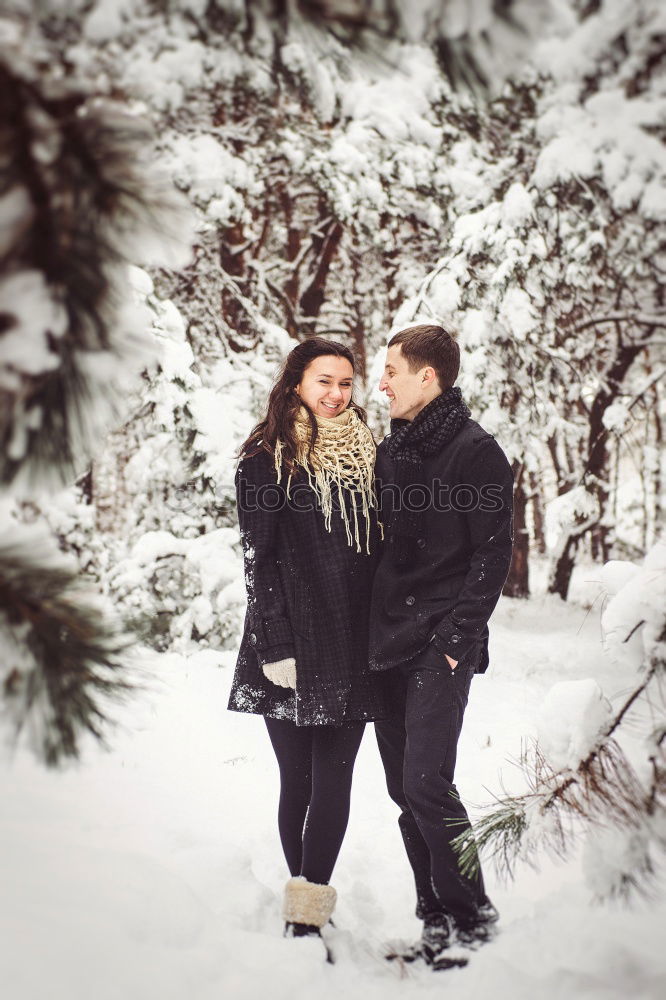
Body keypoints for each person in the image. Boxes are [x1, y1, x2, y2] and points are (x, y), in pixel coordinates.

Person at [228, 337, 387, 953]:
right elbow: (257, 560)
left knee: (334, 783)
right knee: (296, 781)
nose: (336, 394)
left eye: (346, 383)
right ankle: (303, 903)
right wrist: (274, 644)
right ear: (296, 381)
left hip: (351, 643)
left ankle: (308, 908)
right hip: (289, 643)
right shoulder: (266, 459)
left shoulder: (368, 452)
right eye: (324, 381)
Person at [369, 324, 514, 970]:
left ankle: (472, 917)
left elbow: (494, 554)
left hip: (439, 645)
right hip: (388, 642)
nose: (382, 382)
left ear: (428, 378)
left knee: (427, 784)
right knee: (406, 792)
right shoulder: (392, 448)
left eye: (392, 370)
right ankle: (435, 918)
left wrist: (458, 641)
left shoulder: (477, 451)